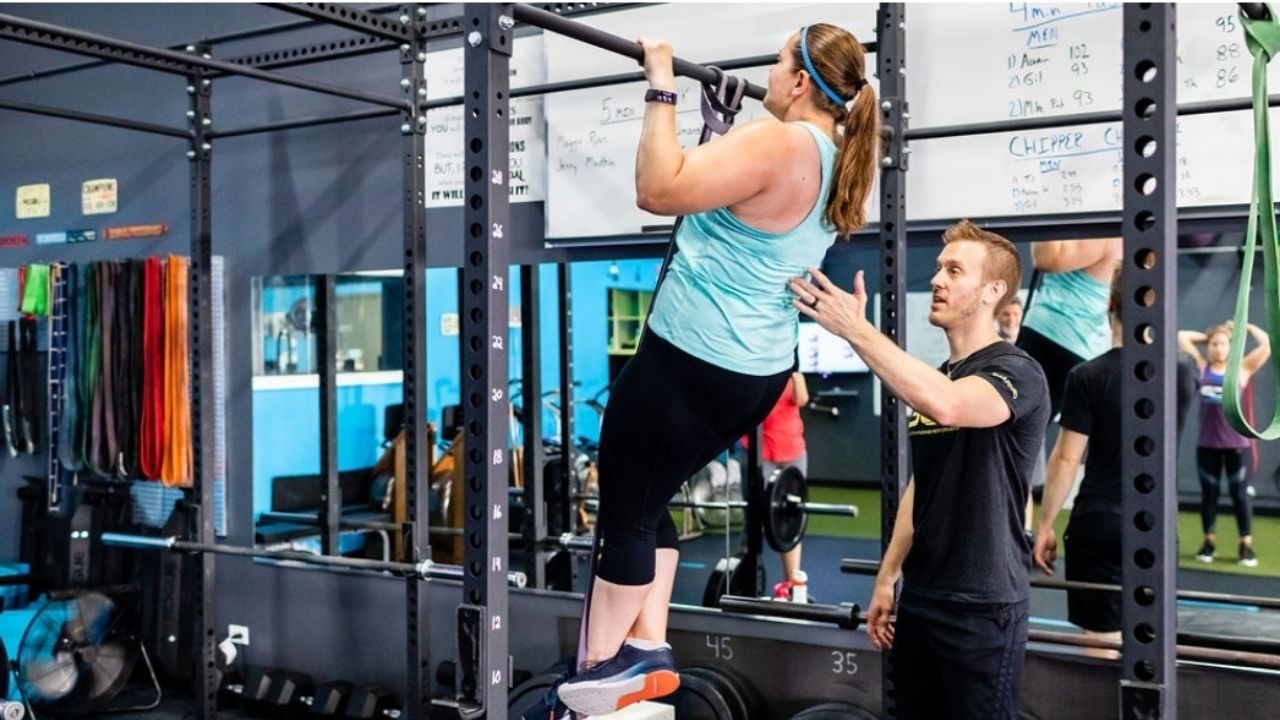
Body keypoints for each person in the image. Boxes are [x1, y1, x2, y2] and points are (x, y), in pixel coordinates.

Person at [539, 24, 880, 720]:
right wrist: (715, 128)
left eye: (779, 59)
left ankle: (597, 672)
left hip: (689, 361)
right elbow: (719, 205)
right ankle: (648, 648)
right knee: (653, 496)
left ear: (796, 82)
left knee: (626, 511)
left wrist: (661, 83)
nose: (772, 71)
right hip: (752, 378)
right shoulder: (835, 154)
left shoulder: (779, 141)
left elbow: (656, 190)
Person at [790, 220, 1048, 720]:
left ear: (994, 291)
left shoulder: (1017, 372)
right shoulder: (945, 376)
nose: (937, 280)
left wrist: (857, 330)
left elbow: (949, 406)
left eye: (954, 270)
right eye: (937, 269)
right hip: (924, 596)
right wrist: (889, 576)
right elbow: (921, 484)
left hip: (983, 606)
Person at [1033, 269, 1198, 651]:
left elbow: (1065, 460)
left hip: (1098, 523)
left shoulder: (1086, 376)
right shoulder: (1183, 369)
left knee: (1101, 641)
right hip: (1156, 522)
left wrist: (1044, 524)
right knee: (1152, 641)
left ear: (1110, 305)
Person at [1016, 238, 1122, 530]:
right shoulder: (1097, 229)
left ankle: (1016, 538)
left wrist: (1043, 198)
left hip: (1057, 341)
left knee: (1009, 447)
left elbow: (1045, 258)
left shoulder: (1108, 235)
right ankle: (1018, 534)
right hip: (1062, 341)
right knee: (1013, 445)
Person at [1178, 321, 1271, 567]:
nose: (1218, 349)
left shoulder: (1241, 369)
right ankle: (1208, 544)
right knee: (1209, 496)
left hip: (1236, 446)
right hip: (1207, 445)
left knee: (1239, 495)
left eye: (1223, 344)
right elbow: (1182, 336)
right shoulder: (1201, 367)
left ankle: (1246, 546)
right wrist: (1208, 336)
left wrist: (1247, 327)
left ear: (1231, 347)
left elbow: (1267, 344)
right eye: (1214, 344)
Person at [740, 370, 811, 600]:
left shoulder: (793, 377)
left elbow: (802, 400)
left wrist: (796, 379)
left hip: (793, 451)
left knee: (790, 518)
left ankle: (792, 585)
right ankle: (746, 580)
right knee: (755, 518)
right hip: (761, 453)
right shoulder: (755, 374)